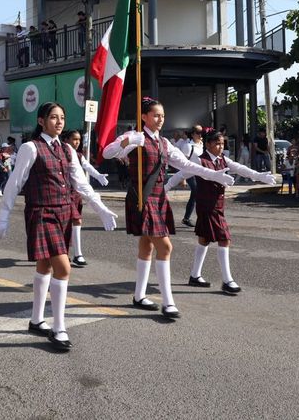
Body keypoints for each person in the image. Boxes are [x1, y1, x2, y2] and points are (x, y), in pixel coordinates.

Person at [0, 102, 117, 351]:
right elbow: (14, 182)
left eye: (62, 117)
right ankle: (58, 327)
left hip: (63, 212)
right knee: (63, 267)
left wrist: (101, 207)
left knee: (45, 264)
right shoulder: (31, 148)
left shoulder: (68, 150)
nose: (59, 122)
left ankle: (36, 319)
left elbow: (81, 184)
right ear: (41, 121)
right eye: (53, 117)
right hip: (41, 212)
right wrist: (3, 215)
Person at [103, 97, 235, 319]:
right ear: (144, 117)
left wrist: (213, 174)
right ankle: (168, 302)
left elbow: (186, 164)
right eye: (156, 115)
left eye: (162, 116)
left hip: (158, 198)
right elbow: (107, 153)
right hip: (142, 199)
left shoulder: (165, 143)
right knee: (165, 248)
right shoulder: (134, 137)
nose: (160, 119)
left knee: (147, 246)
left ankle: (138, 295)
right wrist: (127, 142)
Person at [167, 129, 275, 293]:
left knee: (204, 239)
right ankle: (227, 280)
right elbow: (182, 174)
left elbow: (239, 168)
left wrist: (259, 176)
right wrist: (165, 188)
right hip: (206, 206)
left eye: (222, 143)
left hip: (217, 205)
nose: (220, 146)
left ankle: (195, 276)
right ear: (208, 144)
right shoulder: (199, 159)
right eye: (217, 143)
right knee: (224, 239)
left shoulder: (222, 158)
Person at [62, 130, 109, 268]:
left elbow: (87, 166)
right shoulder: (62, 152)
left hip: (76, 194)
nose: (77, 142)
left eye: (78, 140)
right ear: (67, 139)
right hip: (64, 193)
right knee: (70, 222)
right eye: (74, 139)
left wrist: (98, 175)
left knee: (75, 222)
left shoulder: (78, 155)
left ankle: (75, 254)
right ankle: (70, 254)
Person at [178, 125, 204, 228]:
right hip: (189, 173)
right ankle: (199, 218)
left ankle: (187, 218)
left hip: (200, 174)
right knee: (196, 192)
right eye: (198, 132)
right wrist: (182, 178)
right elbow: (183, 163)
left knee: (194, 196)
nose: (200, 135)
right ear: (193, 134)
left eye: (201, 132)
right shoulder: (188, 146)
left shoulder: (202, 145)